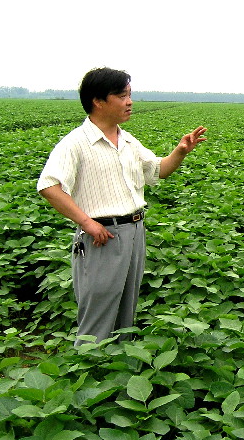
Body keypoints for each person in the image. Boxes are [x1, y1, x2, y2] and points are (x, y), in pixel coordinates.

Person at [37, 67, 207, 346]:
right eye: (121, 96)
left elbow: (158, 171)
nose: (129, 102)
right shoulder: (76, 143)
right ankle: (88, 362)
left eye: (129, 95)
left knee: (126, 311)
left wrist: (180, 152)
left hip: (134, 231)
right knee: (98, 314)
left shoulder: (127, 141)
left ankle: (118, 364)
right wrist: (87, 223)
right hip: (102, 236)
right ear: (98, 101)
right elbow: (49, 186)